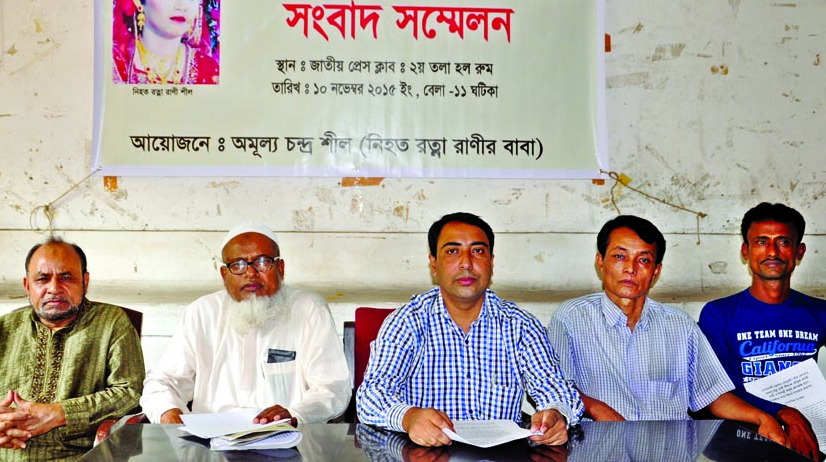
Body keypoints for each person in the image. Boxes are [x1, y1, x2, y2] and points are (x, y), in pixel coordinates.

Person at [547, 215, 788, 446]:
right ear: (601, 262)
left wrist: (762, 418)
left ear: (656, 272)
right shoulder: (571, 318)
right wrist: (598, 409)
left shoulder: (679, 326)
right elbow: (555, 386)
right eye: (620, 256)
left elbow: (712, 396)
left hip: (669, 450)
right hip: (600, 450)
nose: (631, 268)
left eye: (643, 260)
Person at [357, 212, 583, 447]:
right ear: (434, 264)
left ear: (491, 264)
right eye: (453, 251)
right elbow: (371, 395)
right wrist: (408, 417)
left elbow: (558, 389)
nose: (466, 263)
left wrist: (557, 414)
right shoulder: (408, 321)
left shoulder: (520, 326)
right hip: (427, 453)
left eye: (478, 251)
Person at [140, 221, 351, 425]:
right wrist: (169, 413)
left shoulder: (308, 309)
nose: (250, 273)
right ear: (224, 275)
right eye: (238, 265)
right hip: (211, 445)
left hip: (287, 439)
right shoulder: (201, 312)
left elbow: (333, 388)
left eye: (262, 262)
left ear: (280, 268)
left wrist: (296, 414)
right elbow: (163, 382)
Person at [0, 237, 145, 461]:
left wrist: (61, 413)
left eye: (66, 277)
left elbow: (129, 392)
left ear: (85, 281)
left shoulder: (111, 323)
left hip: (72, 457)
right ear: (27, 286)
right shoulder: (1, 330)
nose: (54, 288)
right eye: (42, 279)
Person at [699, 203, 826, 459]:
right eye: (761, 242)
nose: (772, 252)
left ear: (798, 252)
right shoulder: (719, 313)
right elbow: (716, 391)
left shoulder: (820, 312)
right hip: (744, 436)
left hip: (806, 436)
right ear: (746, 251)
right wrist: (785, 413)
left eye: (783, 242)